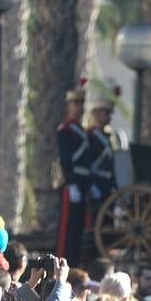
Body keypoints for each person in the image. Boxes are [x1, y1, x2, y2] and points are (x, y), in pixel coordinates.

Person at [56, 87, 93, 266]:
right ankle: (64, 261)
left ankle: (76, 261)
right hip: (73, 183)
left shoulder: (82, 131)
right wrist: (70, 182)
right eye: (76, 103)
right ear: (68, 105)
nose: (80, 107)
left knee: (79, 228)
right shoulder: (66, 130)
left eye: (82, 103)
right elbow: (65, 158)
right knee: (68, 228)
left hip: (84, 183)